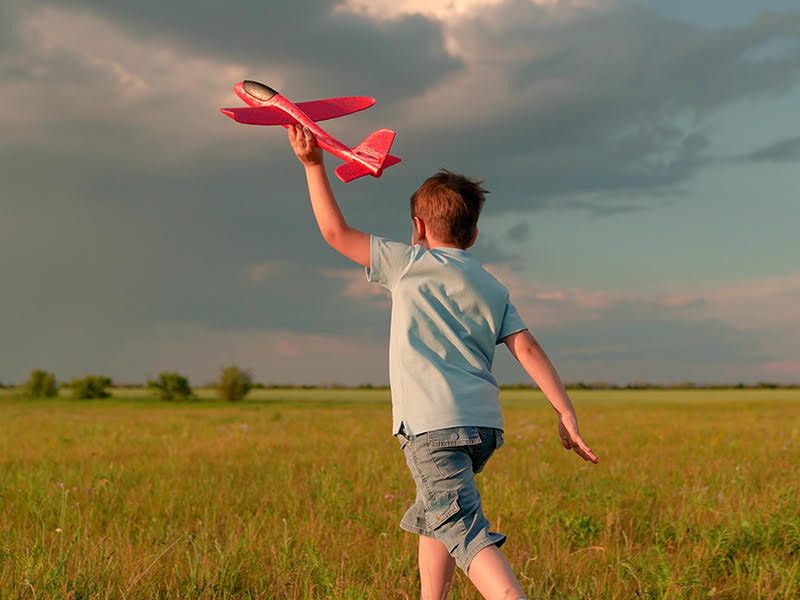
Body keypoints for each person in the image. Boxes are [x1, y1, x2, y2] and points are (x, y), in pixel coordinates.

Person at [287, 125, 598, 600]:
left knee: (463, 530)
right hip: (482, 430)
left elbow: (334, 232)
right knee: (435, 514)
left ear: (417, 228)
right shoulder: (493, 285)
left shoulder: (409, 262)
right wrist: (565, 411)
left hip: (432, 428)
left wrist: (313, 165)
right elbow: (527, 349)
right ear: (473, 232)